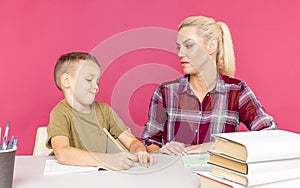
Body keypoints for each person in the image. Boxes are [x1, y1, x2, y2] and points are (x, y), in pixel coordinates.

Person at [142, 16, 277, 156]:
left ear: (212, 46)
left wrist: (215, 145)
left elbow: (269, 133)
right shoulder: (166, 92)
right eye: (179, 48)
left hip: (219, 176)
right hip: (174, 175)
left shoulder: (236, 91)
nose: (180, 54)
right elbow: (150, 141)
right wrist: (161, 151)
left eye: (189, 46)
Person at [46, 52, 155, 170]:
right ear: (67, 81)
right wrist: (107, 160)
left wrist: (140, 151)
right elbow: (63, 154)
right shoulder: (60, 113)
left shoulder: (105, 111)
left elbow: (132, 142)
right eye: (89, 79)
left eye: (97, 82)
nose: (96, 87)